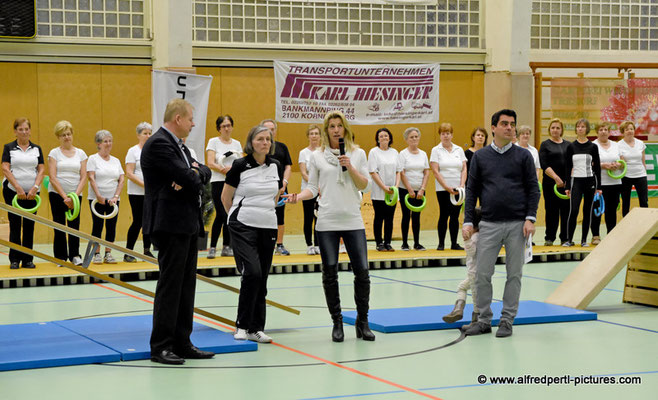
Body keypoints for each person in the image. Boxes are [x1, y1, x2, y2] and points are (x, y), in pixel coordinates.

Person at [284, 111, 375, 343]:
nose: (336, 130)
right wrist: (297, 196)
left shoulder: (358, 153)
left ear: (345, 129)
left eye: (339, 126)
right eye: (331, 126)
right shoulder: (317, 156)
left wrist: (351, 167)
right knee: (330, 273)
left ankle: (362, 322)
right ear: (326, 131)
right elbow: (312, 188)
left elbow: (365, 186)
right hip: (326, 221)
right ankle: (337, 322)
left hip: (353, 220)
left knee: (362, 273)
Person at [141, 98, 214, 365]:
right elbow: (189, 178)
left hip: (186, 223)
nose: (194, 123)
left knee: (186, 286)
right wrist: (191, 174)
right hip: (169, 224)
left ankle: (182, 342)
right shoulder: (160, 143)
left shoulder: (181, 147)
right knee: (171, 286)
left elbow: (201, 173)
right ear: (179, 119)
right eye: (191, 118)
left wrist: (193, 172)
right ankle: (161, 345)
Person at [462, 109, 540, 338]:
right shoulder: (480, 157)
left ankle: (507, 320)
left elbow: (533, 189)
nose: (509, 127)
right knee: (482, 274)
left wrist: (530, 218)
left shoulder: (524, 156)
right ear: (493, 128)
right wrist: (468, 221)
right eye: (504, 124)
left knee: (514, 274)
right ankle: (484, 320)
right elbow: (472, 190)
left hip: (518, 225)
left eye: (512, 124)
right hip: (488, 224)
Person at [222, 125, 282, 344]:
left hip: (268, 226)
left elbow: (274, 197)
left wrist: (264, 213)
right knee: (252, 273)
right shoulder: (240, 165)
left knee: (262, 278)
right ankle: (242, 325)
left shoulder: (275, 165)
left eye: (267, 139)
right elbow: (225, 198)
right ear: (251, 142)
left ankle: (256, 328)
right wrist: (238, 218)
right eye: (260, 139)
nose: (264, 142)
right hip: (242, 225)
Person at [2, 118, 45, 269]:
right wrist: (18, 188)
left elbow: (41, 169)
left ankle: (27, 259)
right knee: (15, 225)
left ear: (30, 130)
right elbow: (5, 168)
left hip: (32, 193)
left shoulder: (36, 149)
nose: (24, 132)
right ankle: (14, 259)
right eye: (20, 129)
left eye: (26, 129)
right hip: (13, 192)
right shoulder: (9, 148)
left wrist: (35, 187)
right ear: (15, 132)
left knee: (29, 225)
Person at [47, 120, 87, 266]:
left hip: (75, 196)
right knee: (59, 224)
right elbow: (52, 177)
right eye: (63, 135)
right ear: (58, 137)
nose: (66, 137)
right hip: (58, 195)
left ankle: (75, 255)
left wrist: (74, 196)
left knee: (74, 225)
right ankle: (60, 257)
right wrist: (65, 197)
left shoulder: (81, 153)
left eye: (68, 134)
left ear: (72, 135)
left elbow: (84, 176)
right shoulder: (54, 153)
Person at [206, 115, 243, 258]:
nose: (226, 128)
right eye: (223, 126)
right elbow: (210, 162)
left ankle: (227, 246)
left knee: (230, 213)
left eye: (229, 125)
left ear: (232, 127)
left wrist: (233, 171)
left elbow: (241, 162)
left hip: (233, 182)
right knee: (221, 214)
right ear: (219, 128)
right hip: (218, 181)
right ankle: (213, 247)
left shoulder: (237, 144)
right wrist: (223, 169)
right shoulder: (213, 142)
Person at [87, 130, 124, 264]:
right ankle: (96, 253)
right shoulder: (93, 159)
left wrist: (115, 196)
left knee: (111, 226)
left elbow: (121, 179)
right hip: (96, 199)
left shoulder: (116, 161)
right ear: (99, 144)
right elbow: (91, 178)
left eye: (110, 141)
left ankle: (108, 253)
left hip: (113, 200)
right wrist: (99, 196)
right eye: (105, 141)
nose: (108, 144)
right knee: (97, 225)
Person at [563, 119, 601, 247]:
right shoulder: (571, 146)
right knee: (573, 210)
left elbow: (597, 168)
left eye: (583, 126)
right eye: (578, 126)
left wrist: (599, 187)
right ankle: (569, 240)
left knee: (587, 211)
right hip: (576, 182)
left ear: (587, 129)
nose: (580, 128)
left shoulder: (593, 147)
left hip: (590, 181)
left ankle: (584, 240)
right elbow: (568, 167)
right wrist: (567, 186)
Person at [430, 122, 467, 250]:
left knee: (455, 216)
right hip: (443, 189)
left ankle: (454, 243)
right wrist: (446, 187)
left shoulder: (459, 149)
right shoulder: (436, 150)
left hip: (458, 189)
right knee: (444, 214)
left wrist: (461, 185)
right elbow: (435, 171)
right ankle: (441, 243)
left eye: (448, 133)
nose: (446, 136)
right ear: (440, 135)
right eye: (443, 134)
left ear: (452, 135)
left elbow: (464, 169)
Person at [443, 207, 481, 324]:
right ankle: (458, 309)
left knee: (476, 298)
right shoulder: (484, 236)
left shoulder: (475, 238)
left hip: (475, 274)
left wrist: (467, 239)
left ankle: (476, 320)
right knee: (462, 287)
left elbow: (471, 252)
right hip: (478, 272)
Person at [261, 119, 292, 255]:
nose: (270, 132)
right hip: (263, 189)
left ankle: (279, 245)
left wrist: (284, 183)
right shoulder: (259, 148)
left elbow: (288, 166)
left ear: (275, 130)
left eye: (272, 129)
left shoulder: (282, 147)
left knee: (280, 216)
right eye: (267, 129)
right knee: (263, 216)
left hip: (281, 189)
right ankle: (264, 245)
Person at [124, 122, 153, 262]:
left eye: (149, 133)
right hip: (136, 193)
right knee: (138, 221)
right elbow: (129, 173)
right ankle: (128, 251)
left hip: (151, 193)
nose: (147, 136)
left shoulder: (154, 150)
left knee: (149, 221)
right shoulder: (133, 151)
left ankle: (147, 250)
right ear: (138, 135)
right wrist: (144, 185)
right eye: (145, 133)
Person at [368, 127, 401, 252]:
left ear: (390, 138)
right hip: (379, 192)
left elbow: (398, 171)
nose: (384, 138)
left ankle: (388, 242)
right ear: (377, 139)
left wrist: (396, 187)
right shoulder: (373, 152)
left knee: (390, 218)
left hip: (392, 192)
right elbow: (373, 171)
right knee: (379, 217)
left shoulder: (395, 152)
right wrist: (384, 187)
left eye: (386, 136)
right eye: (381, 136)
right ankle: (379, 243)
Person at [539, 118, 570, 246]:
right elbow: (544, 164)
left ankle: (565, 238)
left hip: (567, 183)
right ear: (549, 130)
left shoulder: (568, 145)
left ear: (561, 130)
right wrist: (556, 178)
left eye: (558, 128)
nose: (555, 130)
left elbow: (572, 163)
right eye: (553, 128)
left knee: (566, 211)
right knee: (551, 211)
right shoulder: (545, 144)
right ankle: (550, 237)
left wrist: (568, 180)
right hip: (551, 184)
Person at [397, 127, 430, 251]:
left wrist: (422, 189)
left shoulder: (423, 154)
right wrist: (409, 189)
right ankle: (405, 243)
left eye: (416, 136)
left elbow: (426, 173)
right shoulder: (403, 154)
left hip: (420, 190)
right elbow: (402, 173)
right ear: (406, 139)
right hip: (406, 190)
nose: (414, 139)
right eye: (411, 137)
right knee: (406, 215)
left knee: (417, 216)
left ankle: (417, 243)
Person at [591, 122, 622, 244]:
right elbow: (590, 163)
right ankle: (595, 236)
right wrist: (603, 166)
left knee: (611, 210)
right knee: (597, 210)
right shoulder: (593, 145)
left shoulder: (616, 145)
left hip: (615, 182)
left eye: (605, 130)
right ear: (597, 132)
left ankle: (611, 234)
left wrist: (617, 165)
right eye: (601, 130)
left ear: (609, 132)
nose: (603, 132)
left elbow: (622, 161)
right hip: (599, 183)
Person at [298, 124, 321, 255]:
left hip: (321, 191)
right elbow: (303, 172)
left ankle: (318, 244)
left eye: (316, 134)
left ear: (320, 136)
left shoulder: (323, 151)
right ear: (308, 136)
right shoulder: (303, 153)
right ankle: (309, 244)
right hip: (307, 190)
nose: (314, 136)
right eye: (311, 134)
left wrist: (321, 188)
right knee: (308, 218)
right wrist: (314, 185)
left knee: (319, 218)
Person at [618, 120, 648, 216]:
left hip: (641, 175)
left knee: (644, 201)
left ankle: (645, 224)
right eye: (627, 129)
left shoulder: (640, 143)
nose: (630, 131)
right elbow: (622, 162)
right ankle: (626, 225)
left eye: (631, 129)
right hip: (626, 176)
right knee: (626, 202)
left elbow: (643, 161)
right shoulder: (619, 145)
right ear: (623, 132)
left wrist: (644, 172)